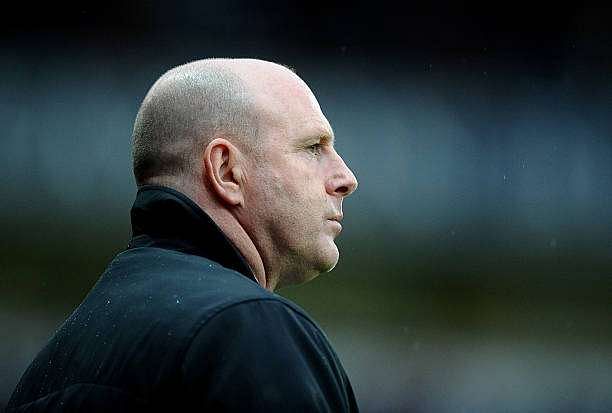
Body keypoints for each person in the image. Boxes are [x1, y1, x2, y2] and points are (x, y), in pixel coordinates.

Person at [7, 58, 359, 412]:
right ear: (226, 171)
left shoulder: (56, 361)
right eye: (314, 147)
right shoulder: (245, 329)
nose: (346, 178)